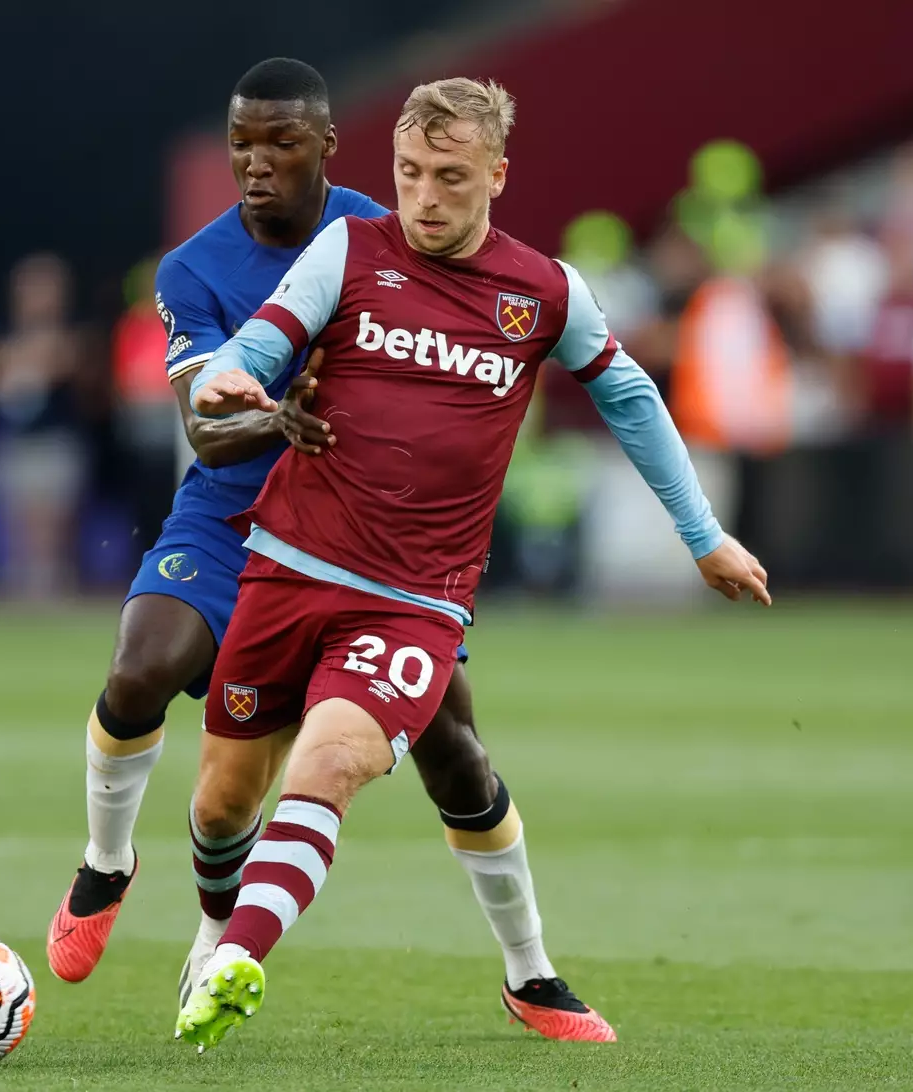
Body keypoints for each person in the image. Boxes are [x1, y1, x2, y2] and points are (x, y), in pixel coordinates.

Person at [174, 76, 770, 1052]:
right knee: (222, 801)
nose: (425, 197)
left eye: (450, 177)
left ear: (496, 174)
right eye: (409, 173)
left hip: (415, 601)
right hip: (284, 569)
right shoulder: (349, 251)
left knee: (331, 764)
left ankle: (241, 957)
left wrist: (702, 536)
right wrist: (240, 369)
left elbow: (627, 394)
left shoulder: (542, 290)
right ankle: (213, 931)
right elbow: (267, 335)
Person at [47, 58, 612, 1042]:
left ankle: (532, 973)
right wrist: (285, 414)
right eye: (239, 144)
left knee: (460, 760)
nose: (255, 164)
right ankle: (110, 863)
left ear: (324, 148)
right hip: (231, 520)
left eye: (279, 143)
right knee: (142, 671)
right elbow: (205, 430)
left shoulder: (379, 227)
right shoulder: (192, 270)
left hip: (374, 540)